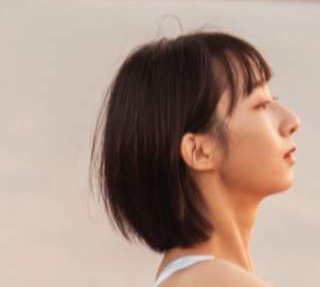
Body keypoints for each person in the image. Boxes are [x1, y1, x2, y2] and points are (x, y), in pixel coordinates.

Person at [96, 32, 301, 287]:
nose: (292, 121)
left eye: (273, 100)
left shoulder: (186, 278)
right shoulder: (215, 281)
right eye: (260, 104)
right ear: (199, 151)